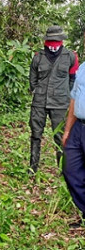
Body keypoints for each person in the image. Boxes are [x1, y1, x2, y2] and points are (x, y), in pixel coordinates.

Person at [28, 25, 78, 175]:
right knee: (36, 134)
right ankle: (33, 168)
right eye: (51, 40)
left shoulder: (70, 56)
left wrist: (66, 95)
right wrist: (39, 92)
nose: (54, 44)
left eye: (57, 40)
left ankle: (63, 170)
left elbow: (72, 79)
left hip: (60, 104)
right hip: (39, 103)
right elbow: (32, 80)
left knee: (61, 136)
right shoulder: (38, 57)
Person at [62, 61, 85, 227]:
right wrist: (67, 130)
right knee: (71, 170)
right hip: (78, 127)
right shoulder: (83, 67)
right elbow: (74, 99)